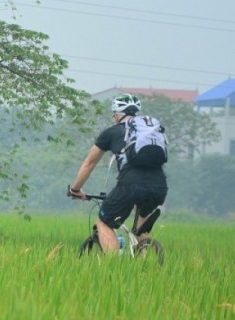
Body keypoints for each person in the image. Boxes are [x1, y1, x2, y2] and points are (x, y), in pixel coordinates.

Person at [68, 93, 168, 253]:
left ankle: (113, 267)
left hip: (130, 184)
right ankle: (143, 261)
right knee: (141, 219)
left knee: (104, 223)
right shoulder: (149, 132)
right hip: (159, 185)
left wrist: (75, 189)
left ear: (116, 114)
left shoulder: (111, 132)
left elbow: (89, 163)